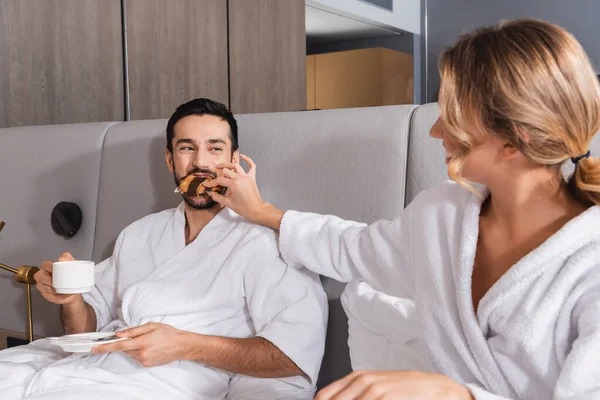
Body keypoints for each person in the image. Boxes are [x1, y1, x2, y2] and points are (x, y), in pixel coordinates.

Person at [204, 19, 600, 399]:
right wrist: (260, 211)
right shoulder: (443, 217)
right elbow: (352, 248)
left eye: (454, 114)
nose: (435, 130)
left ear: (514, 140)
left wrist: (457, 394)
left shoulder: (589, 266)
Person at [0, 98, 327, 400]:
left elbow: (292, 355)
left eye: (214, 149)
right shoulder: (140, 234)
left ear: (233, 158)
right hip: (73, 367)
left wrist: (187, 345)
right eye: (187, 148)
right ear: (170, 159)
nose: (200, 163)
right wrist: (71, 299)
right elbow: (83, 328)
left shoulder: (270, 242)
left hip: (151, 384)